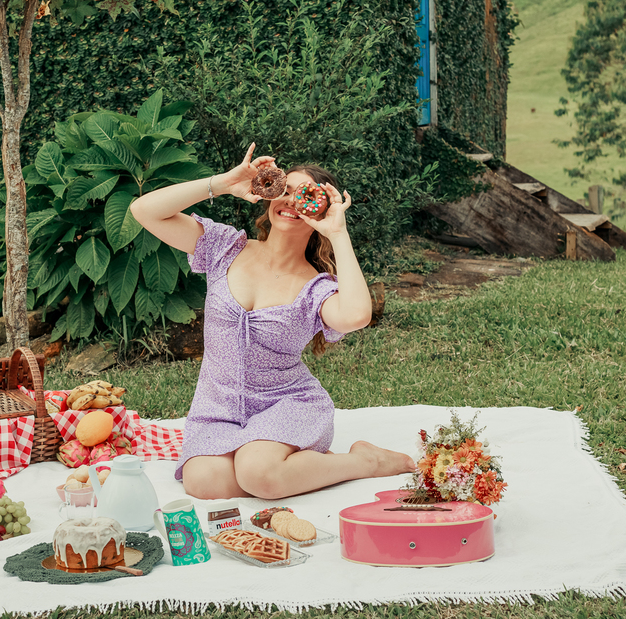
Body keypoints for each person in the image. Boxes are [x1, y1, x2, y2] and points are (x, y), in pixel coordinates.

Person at [130, 143, 415, 500]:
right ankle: (288, 468)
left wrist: (338, 234)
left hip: (287, 403)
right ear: (270, 194)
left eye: (307, 196)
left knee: (257, 472)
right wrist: (223, 183)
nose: (294, 202)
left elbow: (357, 316)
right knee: (203, 483)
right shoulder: (225, 247)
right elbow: (144, 210)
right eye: (288, 190)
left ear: (322, 212)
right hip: (218, 408)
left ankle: (363, 461)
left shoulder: (316, 288)